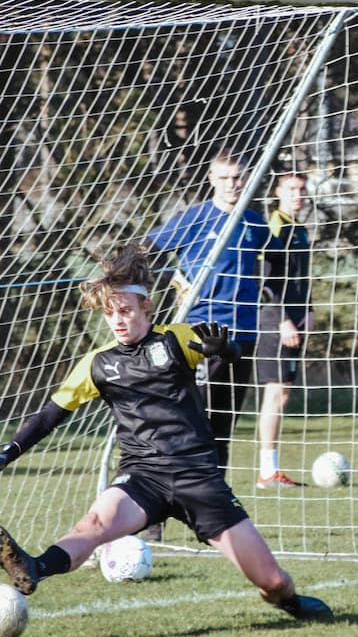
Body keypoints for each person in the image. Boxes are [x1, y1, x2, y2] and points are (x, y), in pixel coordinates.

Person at [0, 242, 332, 622]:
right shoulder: (98, 364)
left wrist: (228, 350)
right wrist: (5, 455)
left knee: (273, 582)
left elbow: (230, 357)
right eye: (110, 313)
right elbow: (49, 416)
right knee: (94, 524)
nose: (117, 321)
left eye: (125, 311)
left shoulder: (176, 339)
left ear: (146, 307)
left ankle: (290, 601)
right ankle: (35, 568)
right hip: (142, 477)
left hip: (198, 478)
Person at [146, 149, 276, 473]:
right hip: (202, 330)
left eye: (238, 177)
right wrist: (175, 280)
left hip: (244, 331)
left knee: (225, 421)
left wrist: (267, 288)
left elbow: (275, 259)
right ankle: (178, 485)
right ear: (211, 179)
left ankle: (217, 491)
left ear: (247, 178)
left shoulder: (254, 222)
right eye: (225, 177)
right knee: (195, 418)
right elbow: (147, 250)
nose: (232, 184)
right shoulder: (195, 218)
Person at [254, 172, 315, 489]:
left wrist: (309, 309)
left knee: (283, 392)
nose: (298, 194)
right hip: (275, 321)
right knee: (276, 393)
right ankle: (267, 472)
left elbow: (300, 277)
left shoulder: (299, 229)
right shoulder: (275, 227)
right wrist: (281, 319)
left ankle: (271, 470)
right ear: (277, 191)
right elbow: (265, 282)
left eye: (302, 189)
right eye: (291, 188)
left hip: (295, 319)